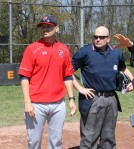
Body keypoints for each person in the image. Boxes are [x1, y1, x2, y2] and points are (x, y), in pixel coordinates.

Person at [72, 26, 134, 149]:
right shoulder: (85, 52)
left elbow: (122, 67)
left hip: (111, 99)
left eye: (101, 37)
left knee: (109, 136)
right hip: (92, 98)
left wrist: (132, 80)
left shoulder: (115, 52)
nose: (97, 39)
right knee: (89, 137)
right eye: (95, 37)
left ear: (108, 38)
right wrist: (80, 88)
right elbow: (67, 70)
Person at [18, 15, 76, 149]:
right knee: (34, 142)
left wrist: (71, 99)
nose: (45, 28)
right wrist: (27, 103)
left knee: (56, 142)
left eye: (48, 26)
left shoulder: (64, 49)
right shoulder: (32, 49)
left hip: (58, 104)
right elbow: (24, 77)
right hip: (36, 104)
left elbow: (67, 76)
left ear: (57, 28)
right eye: (43, 26)